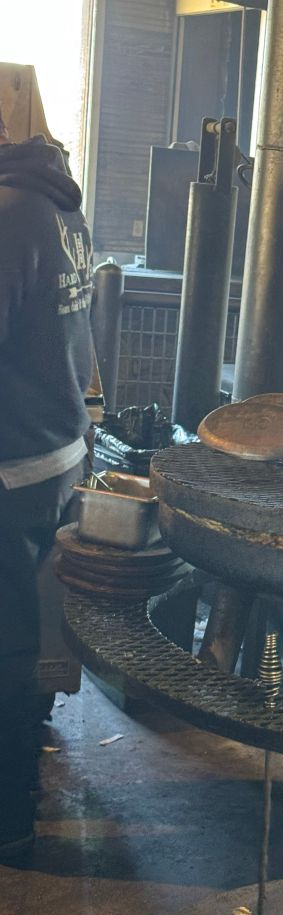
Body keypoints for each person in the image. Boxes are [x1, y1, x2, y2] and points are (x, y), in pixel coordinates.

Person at [0, 108, 93, 858]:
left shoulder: (6, 214)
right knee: (25, 632)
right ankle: (23, 763)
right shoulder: (59, 205)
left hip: (12, 465)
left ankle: (6, 814)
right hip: (58, 448)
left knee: (5, 645)